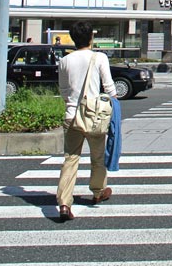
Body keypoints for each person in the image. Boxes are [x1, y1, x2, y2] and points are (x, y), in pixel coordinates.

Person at [56, 20, 117, 222]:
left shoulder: (65, 61)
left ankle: (64, 202)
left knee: (71, 159)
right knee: (97, 156)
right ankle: (98, 191)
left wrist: (72, 101)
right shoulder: (99, 57)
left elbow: (63, 90)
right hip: (94, 115)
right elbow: (109, 88)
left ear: (73, 39)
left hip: (72, 115)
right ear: (91, 37)